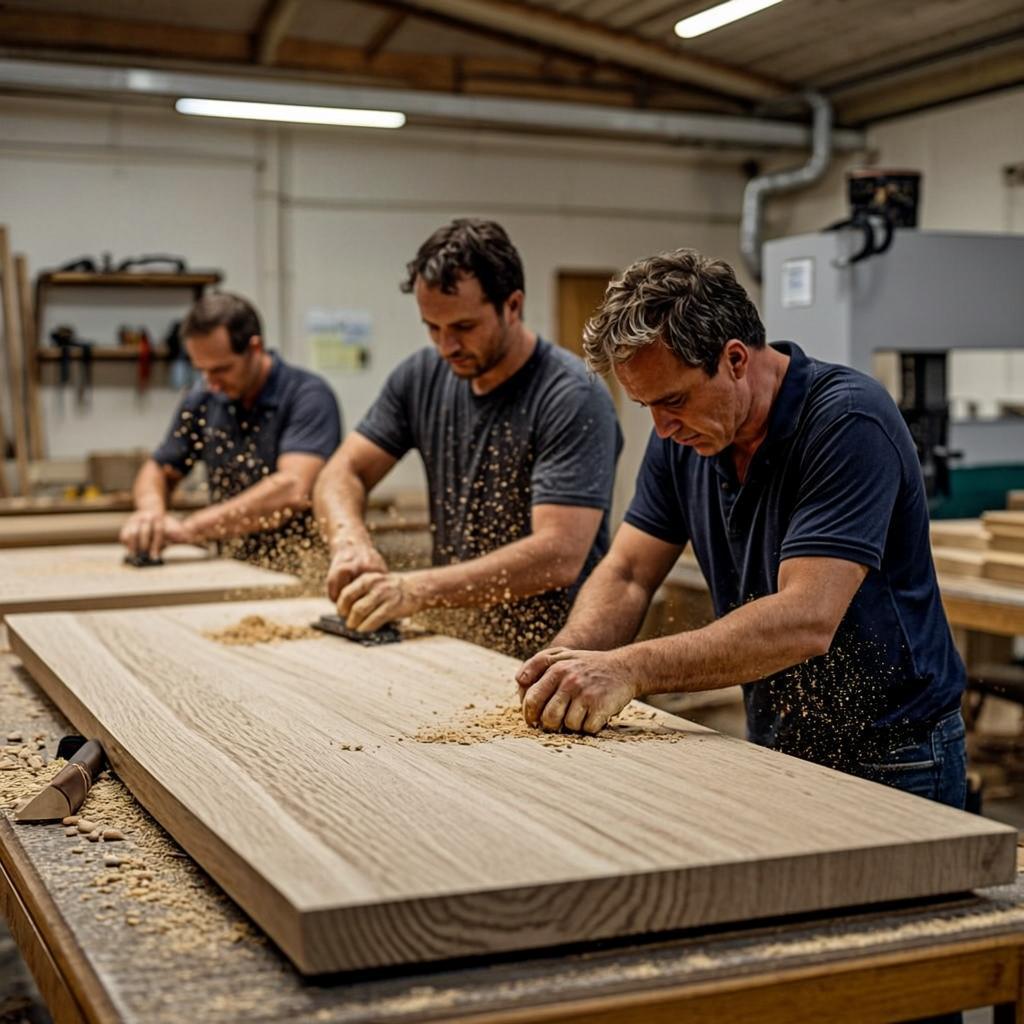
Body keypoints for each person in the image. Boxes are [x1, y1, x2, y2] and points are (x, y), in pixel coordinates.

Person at [516, 248, 967, 809]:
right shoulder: (680, 439)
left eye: (674, 399)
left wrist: (629, 669)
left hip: (892, 754)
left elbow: (806, 618)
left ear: (734, 359)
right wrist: (568, 661)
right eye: (645, 405)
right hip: (777, 738)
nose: (662, 426)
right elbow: (630, 572)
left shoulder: (847, 421)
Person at [313, 218, 622, 658]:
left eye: (463, 327)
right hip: (456, 642)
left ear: (512, 306)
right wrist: (350, 543)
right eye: (432, 328)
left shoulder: (571, 395)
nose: (446, 345)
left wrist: (415, 589)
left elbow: (559, 553)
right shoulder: (420, 377)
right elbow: (341, 472)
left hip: (553, 656)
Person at [120, 292, 342, 575]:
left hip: (299, 570)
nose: (211, 383)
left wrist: (191, 528)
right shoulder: (203, 398)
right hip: (229, 566)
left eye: (222, 369)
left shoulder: (308, 396)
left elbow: (291, 490)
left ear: (255, 347)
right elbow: (159, 469)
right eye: (202, 371)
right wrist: (151, 513)